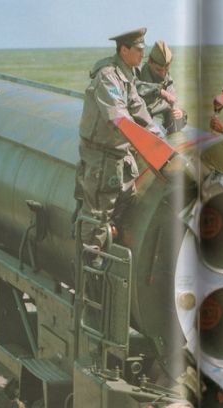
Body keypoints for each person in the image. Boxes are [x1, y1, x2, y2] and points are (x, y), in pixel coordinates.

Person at [74, 27, 160, 261]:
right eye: (139, 49)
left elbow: (137, 106)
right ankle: (90, 263)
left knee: (126, 198)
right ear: (124, 50)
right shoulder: (108, 77)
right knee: (98, 213)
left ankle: (106, 247)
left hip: (118, 153)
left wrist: (156, 136)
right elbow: (120, 118)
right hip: (102, 156)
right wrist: (149, 146)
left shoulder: (126, 74)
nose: (143, 54)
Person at [137, 40, 187, 134]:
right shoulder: (137, 71)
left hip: (155, 113)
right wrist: (160, 91)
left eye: (166, 70)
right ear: (149, 61)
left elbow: (173, 100)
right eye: (158, 70)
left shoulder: (167, 78)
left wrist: (180, 113)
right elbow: (135, 86)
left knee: (178, 117)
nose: (163, 74)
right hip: (139, 114)